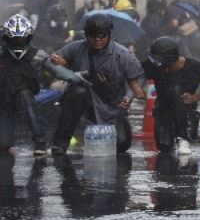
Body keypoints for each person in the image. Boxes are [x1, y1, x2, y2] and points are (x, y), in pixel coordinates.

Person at [49, 14, 145, 155]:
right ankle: (60, 143)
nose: (97, 40)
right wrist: (65, 68)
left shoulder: (124, 55)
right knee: (78, 92)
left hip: (112, 106)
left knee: (122, 144)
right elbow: (50, 62)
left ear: (109, 35)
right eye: (93, 36)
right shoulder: (76, 48)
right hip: (84, 102)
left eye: (102, 36)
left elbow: (138, 78)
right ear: (86, 35)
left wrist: (128, 96)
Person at [0, 14, 49, 156]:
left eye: (21, 39)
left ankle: (40, 140)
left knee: (25, 95)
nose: (17, 43)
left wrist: (73, 76)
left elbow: (56, 68)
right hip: (4, 99)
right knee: (4, 144)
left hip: (24, 96)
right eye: (14, 39)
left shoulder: (38, 55)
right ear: (6, 38)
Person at [142, 36, 200, 154]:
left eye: (158, 61)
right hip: (163, 109)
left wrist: (194, 98)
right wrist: (136, 90)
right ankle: (169, 130)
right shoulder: (152, 65)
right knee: (164, 145)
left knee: (175, 90)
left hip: (185, 110)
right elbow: (137, 77)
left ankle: (183, 137)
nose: (155, 64)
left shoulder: (194, 67)